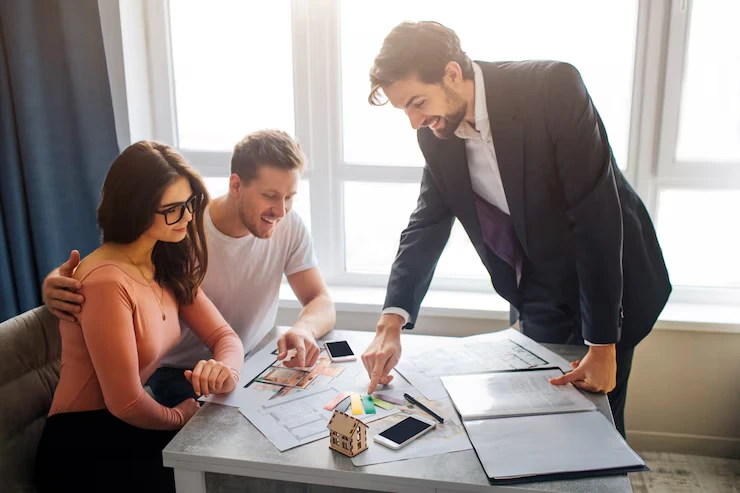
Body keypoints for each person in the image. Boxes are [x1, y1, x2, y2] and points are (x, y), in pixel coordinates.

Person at [360, 21, 671, 437]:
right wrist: (390, 323)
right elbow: (427, 222)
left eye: (418, 102)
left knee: (599, 425)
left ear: (453, 73)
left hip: (607, 281)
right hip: (536, 287)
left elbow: (595, 216)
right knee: (538, 417)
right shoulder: (435, 134)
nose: (415, 121)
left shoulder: (552, 89)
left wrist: (601, 344)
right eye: (405, 110)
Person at [42, 129, 336, 408]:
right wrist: (59, 280)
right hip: (180, 373)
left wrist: (304, 329)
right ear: (236, 185)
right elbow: (120, 264)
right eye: (270, 196)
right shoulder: (182, 227)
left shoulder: (289, 225)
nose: (281, 210)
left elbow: (320, 300)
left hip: (246, 361)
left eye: (290, 196)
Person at [35, 141, 244, 493]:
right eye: (174, 209)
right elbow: (126, 402)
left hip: (131, 424)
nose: (190, 218)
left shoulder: (164, 260)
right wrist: (181, 417)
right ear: (135, 209)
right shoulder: (105, 282)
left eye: (190, 204)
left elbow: (225, 337)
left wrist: (226, 370)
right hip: (83, 446)